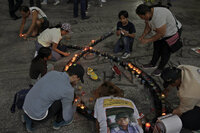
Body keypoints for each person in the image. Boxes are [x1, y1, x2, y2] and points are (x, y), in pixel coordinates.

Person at [22, 63, 85, 132]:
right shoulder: (69, 90)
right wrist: (74, 106)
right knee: (69, 99)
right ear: (75, 76)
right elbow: (66, 115)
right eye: (78, 79)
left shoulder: (53, 73)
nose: (77, 81)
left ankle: (27, 118)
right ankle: (58, 123)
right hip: (38, 116)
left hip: (26, 105)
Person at [135, 4, 182, 76]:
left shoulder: (159, 16)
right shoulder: (148, 14)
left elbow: (161, 34)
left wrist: (147, 40)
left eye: (143, 17)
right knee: (156, 48)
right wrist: (143, 35)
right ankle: (152, 64)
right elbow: (148, 26)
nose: (143, 19)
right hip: (159, 32)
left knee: (165, 52)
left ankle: (160, 68)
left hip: (170, 33)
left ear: (147, 13)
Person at [161, 65, 200, 130]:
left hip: (195, 92)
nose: (171, 85)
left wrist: (169, 114)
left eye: (171, 84)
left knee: (187, 120)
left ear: (176, 81)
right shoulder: (183, 68)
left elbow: (181, 110)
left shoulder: (187, 93)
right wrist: (168, 89)